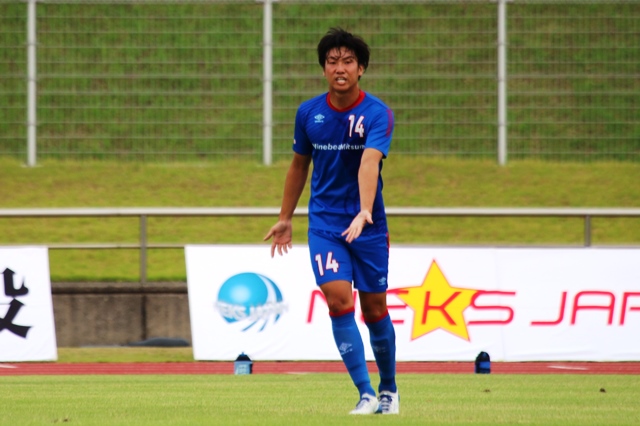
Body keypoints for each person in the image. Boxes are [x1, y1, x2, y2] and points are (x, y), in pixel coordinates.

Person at [264, 27, 398, 415]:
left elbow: (369, 162)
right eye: (332, 61)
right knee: (339, 301)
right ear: (323, 68)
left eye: (348, 62)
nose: (340, 68)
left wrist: (365, 210)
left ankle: (389, 390)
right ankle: (365, 393)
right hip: (325, 224)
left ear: (361, 69)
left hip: (368, 225)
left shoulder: (377, 114)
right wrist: (285, 217)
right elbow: (298, 165)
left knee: (374, 310)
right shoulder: (308, 113)